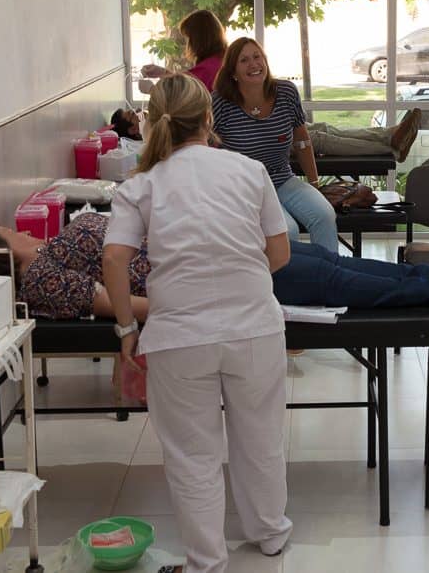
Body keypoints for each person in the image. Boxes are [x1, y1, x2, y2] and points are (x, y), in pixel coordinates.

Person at [104, 73, 291, 573]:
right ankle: (269, 533)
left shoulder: (140, 185)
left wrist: (126, 328)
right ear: (208, 118)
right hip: (254, 327)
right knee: (261, 438)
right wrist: (239, 277)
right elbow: (280, 251)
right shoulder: (249, 170)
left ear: (151, 124)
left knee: (192, 454)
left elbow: (115, 258)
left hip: (178, 338)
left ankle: (208, 561)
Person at [0, 213, 429, 321]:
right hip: (211, 277)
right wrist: (193, 303)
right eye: (10, 236)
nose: (23, 233)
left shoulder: (48, 257)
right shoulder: (43, 278)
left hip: (216, 253)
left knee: (327, 261)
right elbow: (112, 302)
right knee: (332, 282)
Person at [211, 37, 339, 251]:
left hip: (282, 178)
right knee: (287, 230)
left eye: (257, 57)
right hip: (246, 187)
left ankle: (329, 277)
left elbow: (302, 140)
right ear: (233, 72)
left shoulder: (286, 92)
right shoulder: (220, 102)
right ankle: (288, 282)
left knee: (324, 214)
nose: (253, 64)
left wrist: (314, 183)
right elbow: (202, 147)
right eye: (244, 60)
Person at [140, 9, 227, 90]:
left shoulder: (208, 68)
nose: (187, 44)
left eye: (188, 38)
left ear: (197, 39)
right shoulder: (221, 59)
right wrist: (162, 72)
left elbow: (183, 92)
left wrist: (152, 89)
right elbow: (184, 80)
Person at [305, 108, 422, 162]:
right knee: (318, 138)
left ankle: (390, 134)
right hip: (287, 142)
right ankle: (393, 150)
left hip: (290, 129)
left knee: (324, 128)